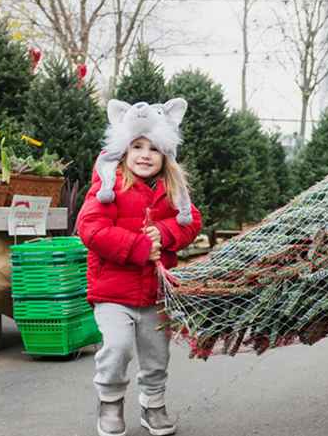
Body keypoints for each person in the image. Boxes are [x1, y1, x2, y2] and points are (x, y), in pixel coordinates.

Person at [77, 98, 202, 436]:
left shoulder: (172, 189)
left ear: (166, 155)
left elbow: (191, 223)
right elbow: (91, 229)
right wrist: (140, 246)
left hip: (154, 293)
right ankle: (111, 401)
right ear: (124, 149)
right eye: (137, 146)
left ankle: (153, 404)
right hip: (112, 291)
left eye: (154, 148)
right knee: (116, 347)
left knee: (156, 355)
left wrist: (164, 232)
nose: (145, 154)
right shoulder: (107, 188)